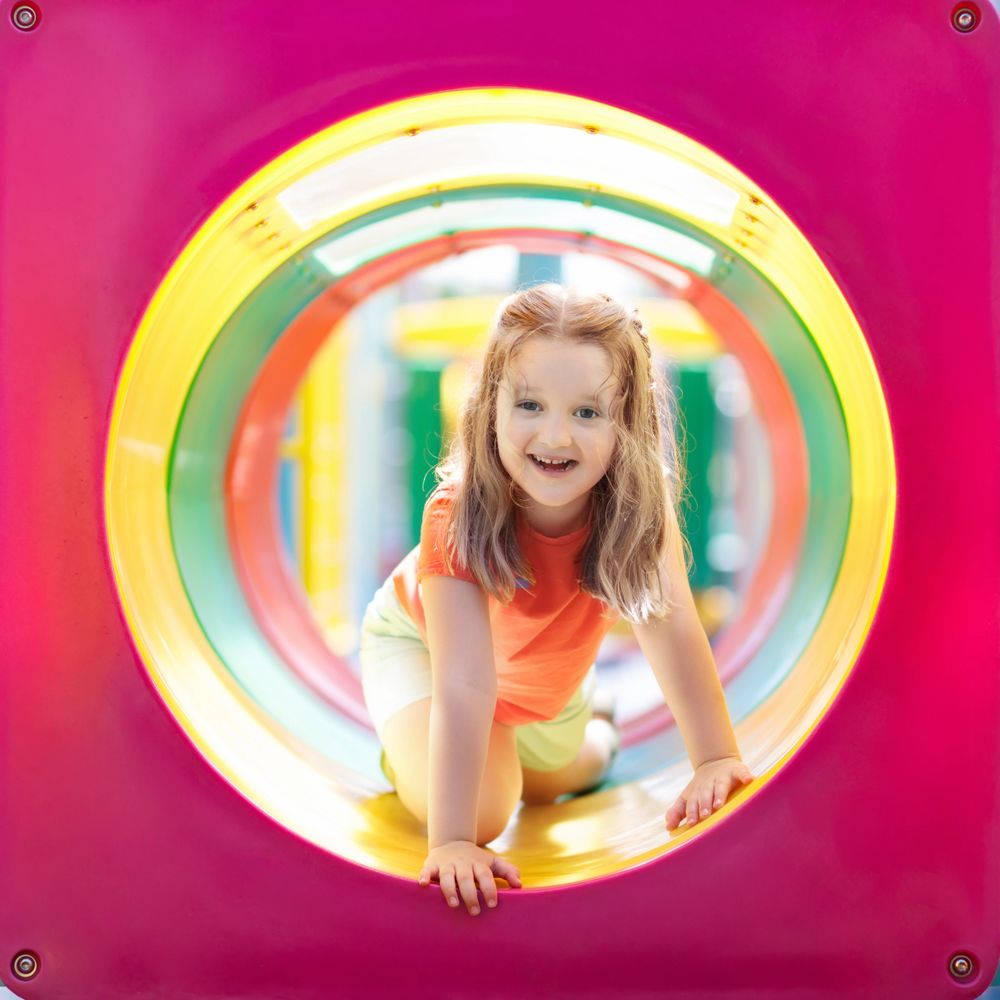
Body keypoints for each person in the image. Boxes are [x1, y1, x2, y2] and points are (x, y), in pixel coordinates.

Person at [359, 283, 753, 917]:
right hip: (430, 654)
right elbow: (464, 685)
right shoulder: (458, 513)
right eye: (531, 404)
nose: (555, 435)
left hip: (545, 679)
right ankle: (410, 753)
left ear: (628, 422)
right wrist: (454, 840)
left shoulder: (635, 516)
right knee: (485, 809)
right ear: (491, 405)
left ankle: (597, 731)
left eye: (587, 413)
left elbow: (673, 628)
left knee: (558, 781)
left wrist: (715, 758)